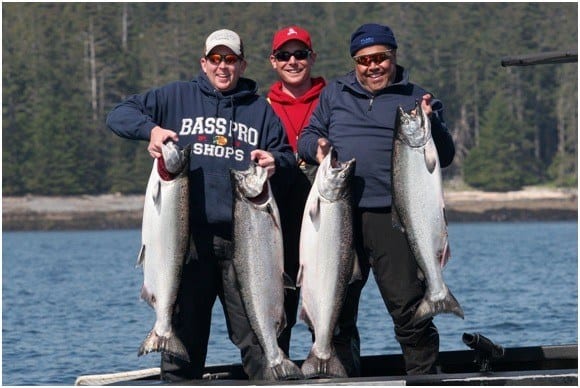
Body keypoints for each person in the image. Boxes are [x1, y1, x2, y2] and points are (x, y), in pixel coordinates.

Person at [106, 29, 296, 381]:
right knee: (184, 341)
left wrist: (275, 162)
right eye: (216, 59)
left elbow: (285, 156)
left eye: (231, 59)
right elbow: (119, 115)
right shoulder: (176, 97)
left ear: (243, 64)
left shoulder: (261, 111)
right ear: (204, 62)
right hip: (187, 245)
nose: (223, 67)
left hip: (245, 244)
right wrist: (152, 131)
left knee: (257, 338)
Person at [297, 23, 456, 376]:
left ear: (393, 56)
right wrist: (317, 147)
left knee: (409, 309)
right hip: (340, 215)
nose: (373, 66)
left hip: (395, 217)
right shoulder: (334, 93)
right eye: (364, 60)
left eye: (380, 58)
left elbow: (443, 156)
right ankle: (337, 376)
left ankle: (424, 378)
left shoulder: (418, 98)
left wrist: (434, 125)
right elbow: (306, 137)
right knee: (334, 311)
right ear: (355, 62)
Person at [266, 25, 326, 357]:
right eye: (284, 55)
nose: (293, 61)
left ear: (312, 58)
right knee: (281, 304)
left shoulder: (332, 98)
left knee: (333, 302)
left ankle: (338, 366)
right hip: (280, 212)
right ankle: (279, 367)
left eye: (300, 54)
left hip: (326, 210)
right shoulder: (261, 106)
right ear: (273, 61)